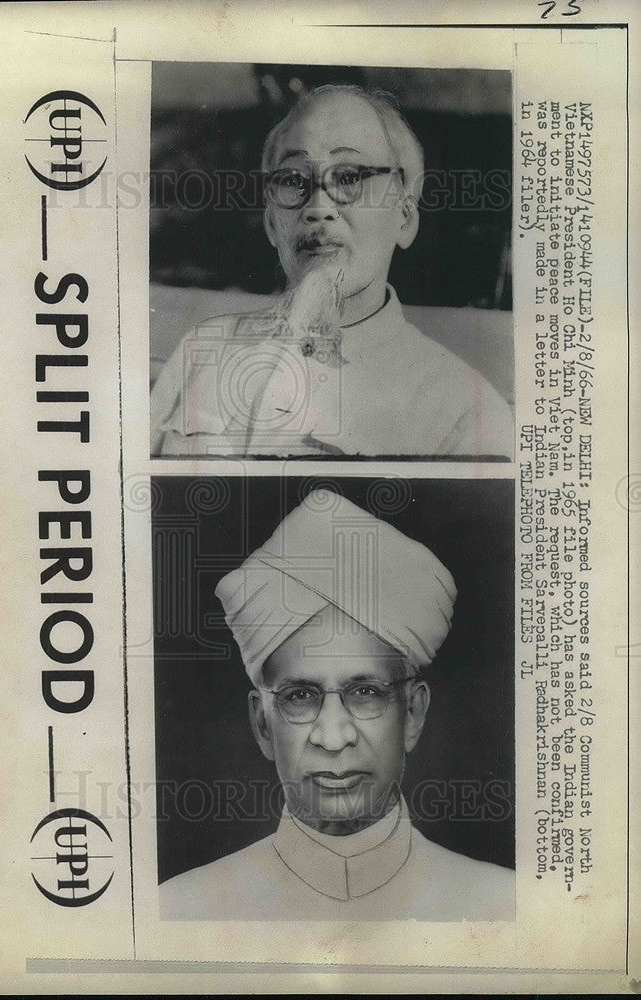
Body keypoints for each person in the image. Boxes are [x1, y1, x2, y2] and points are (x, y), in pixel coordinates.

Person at [159, 490, 514, 921]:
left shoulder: (505, 906)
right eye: (300, 697)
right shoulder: (180, 909)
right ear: (263, 724)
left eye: (366, 693)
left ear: (413, 714)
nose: (332, 737)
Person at [150, 84, 513, 458]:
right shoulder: (202, 351)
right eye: (293, 180)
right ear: (273, 225)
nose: (318, 207)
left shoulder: (466, 413)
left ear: (403, 220)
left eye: (350, 177)